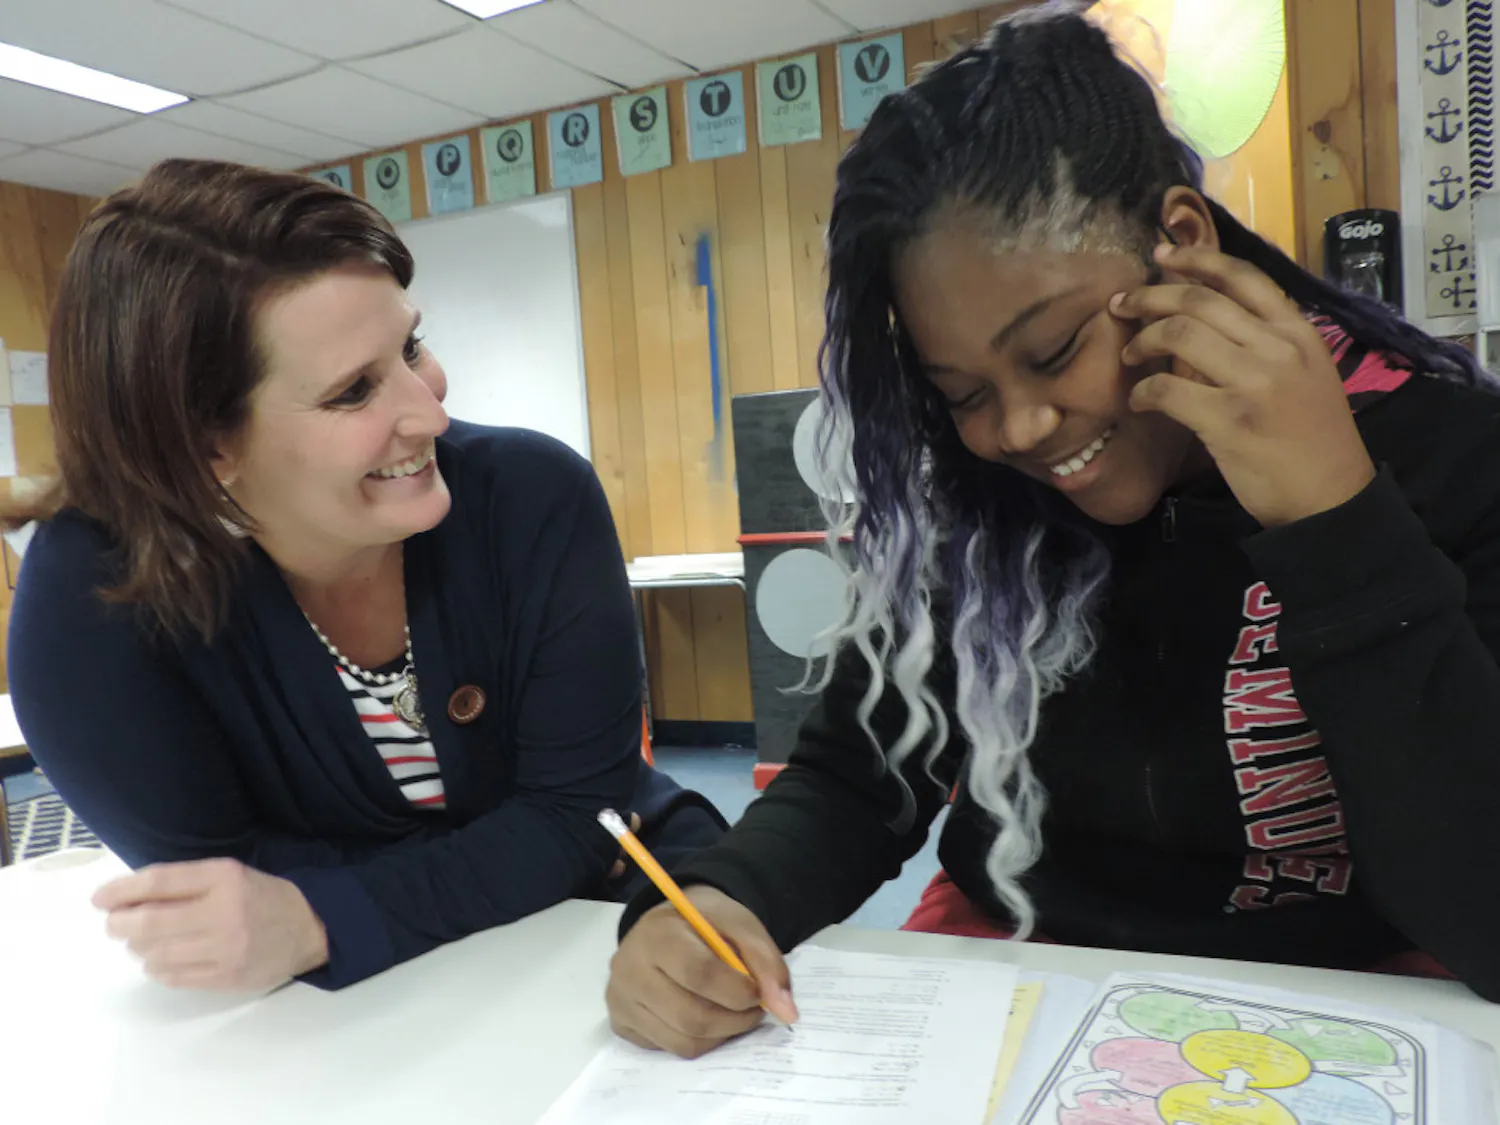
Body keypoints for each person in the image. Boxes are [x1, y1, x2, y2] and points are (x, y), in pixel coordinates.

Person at [605, 8, 1500, 1058]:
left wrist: (1335, 522)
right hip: (1022, 971)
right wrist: (724, 901)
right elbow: (859, 771)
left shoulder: (1443, 455)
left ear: (1181, 238)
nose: (1017, 430)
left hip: (1344, 996)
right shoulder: (972, 497)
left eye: (1056, 348)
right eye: (961, 393)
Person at [8, 159, 725, 991]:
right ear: (206, 447)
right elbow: (218, 894)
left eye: (412, 346)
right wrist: (513, 848)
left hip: (616, 909)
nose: (432, 411)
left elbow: (576, 817)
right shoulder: (96, 599)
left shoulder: (531, 496)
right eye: (354, 391)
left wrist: (325, 913)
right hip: (348, 1007)